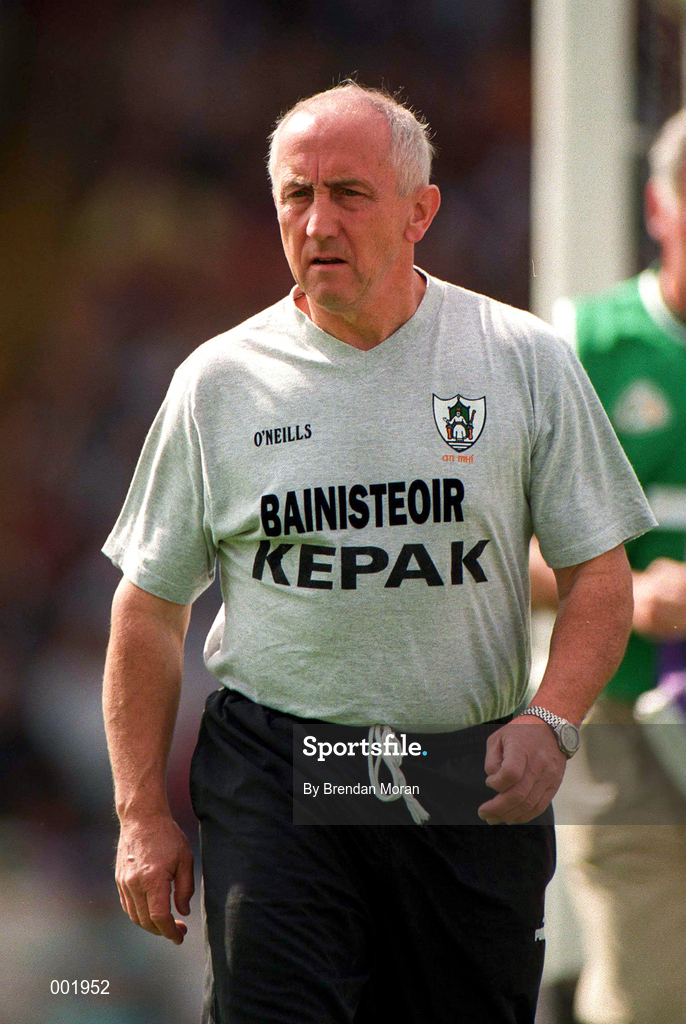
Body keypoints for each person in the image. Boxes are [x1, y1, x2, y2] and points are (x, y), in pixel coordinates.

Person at [102, 82, 655, 1024]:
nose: (317, 221)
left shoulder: (519, 357)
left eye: (349, 194)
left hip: (457, 775)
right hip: (280, 768)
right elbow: (149, 608)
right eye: (295, 195)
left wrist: (552, 721)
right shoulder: (219, 382)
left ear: (420, 212)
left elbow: (598, 573)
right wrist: (140, 814)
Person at [530, 108, 686, 1024]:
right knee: (653, 995)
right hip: (626, 719)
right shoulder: (585, 348)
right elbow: (507, 561)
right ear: (659, 208)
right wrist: (634, 598)